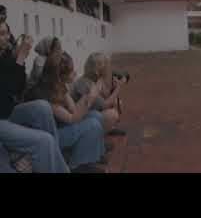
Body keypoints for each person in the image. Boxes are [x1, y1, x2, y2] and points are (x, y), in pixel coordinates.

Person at [0, 21, 69, 173]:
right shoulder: (38, 61)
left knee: (42, 106)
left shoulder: (6, 55)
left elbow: (18, 89)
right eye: (1, 34)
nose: (6, 37)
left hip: (9, 112)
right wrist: (20, 59)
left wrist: (17, 59)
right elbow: (6, 92)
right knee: (45, 140)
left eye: (7, 33)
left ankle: (57, 161)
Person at [26, 52, 106, 173]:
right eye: (71, 70)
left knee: (96, 116)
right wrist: (90, 96)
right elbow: (72, 118)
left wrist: (89, 96)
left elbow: (74, 109)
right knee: (92, 125)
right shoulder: (44, 92)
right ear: (60, 76)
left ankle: (92, 157)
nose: (74, 73)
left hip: (59, 127)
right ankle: (76, 166)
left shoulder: (59, 85)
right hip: (49, 138)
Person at [70, 52, 126, 135]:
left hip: (90, 110)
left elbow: (105, 96)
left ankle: (108, 128)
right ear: (97, 69)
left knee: (117, 103)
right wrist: (118, 87)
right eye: (105, 66)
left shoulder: (94, 79)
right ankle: (98, 136)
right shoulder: (85, 84)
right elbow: (105, 104)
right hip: (79, 117)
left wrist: (111, 84)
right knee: (112, 115)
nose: (107, 68)